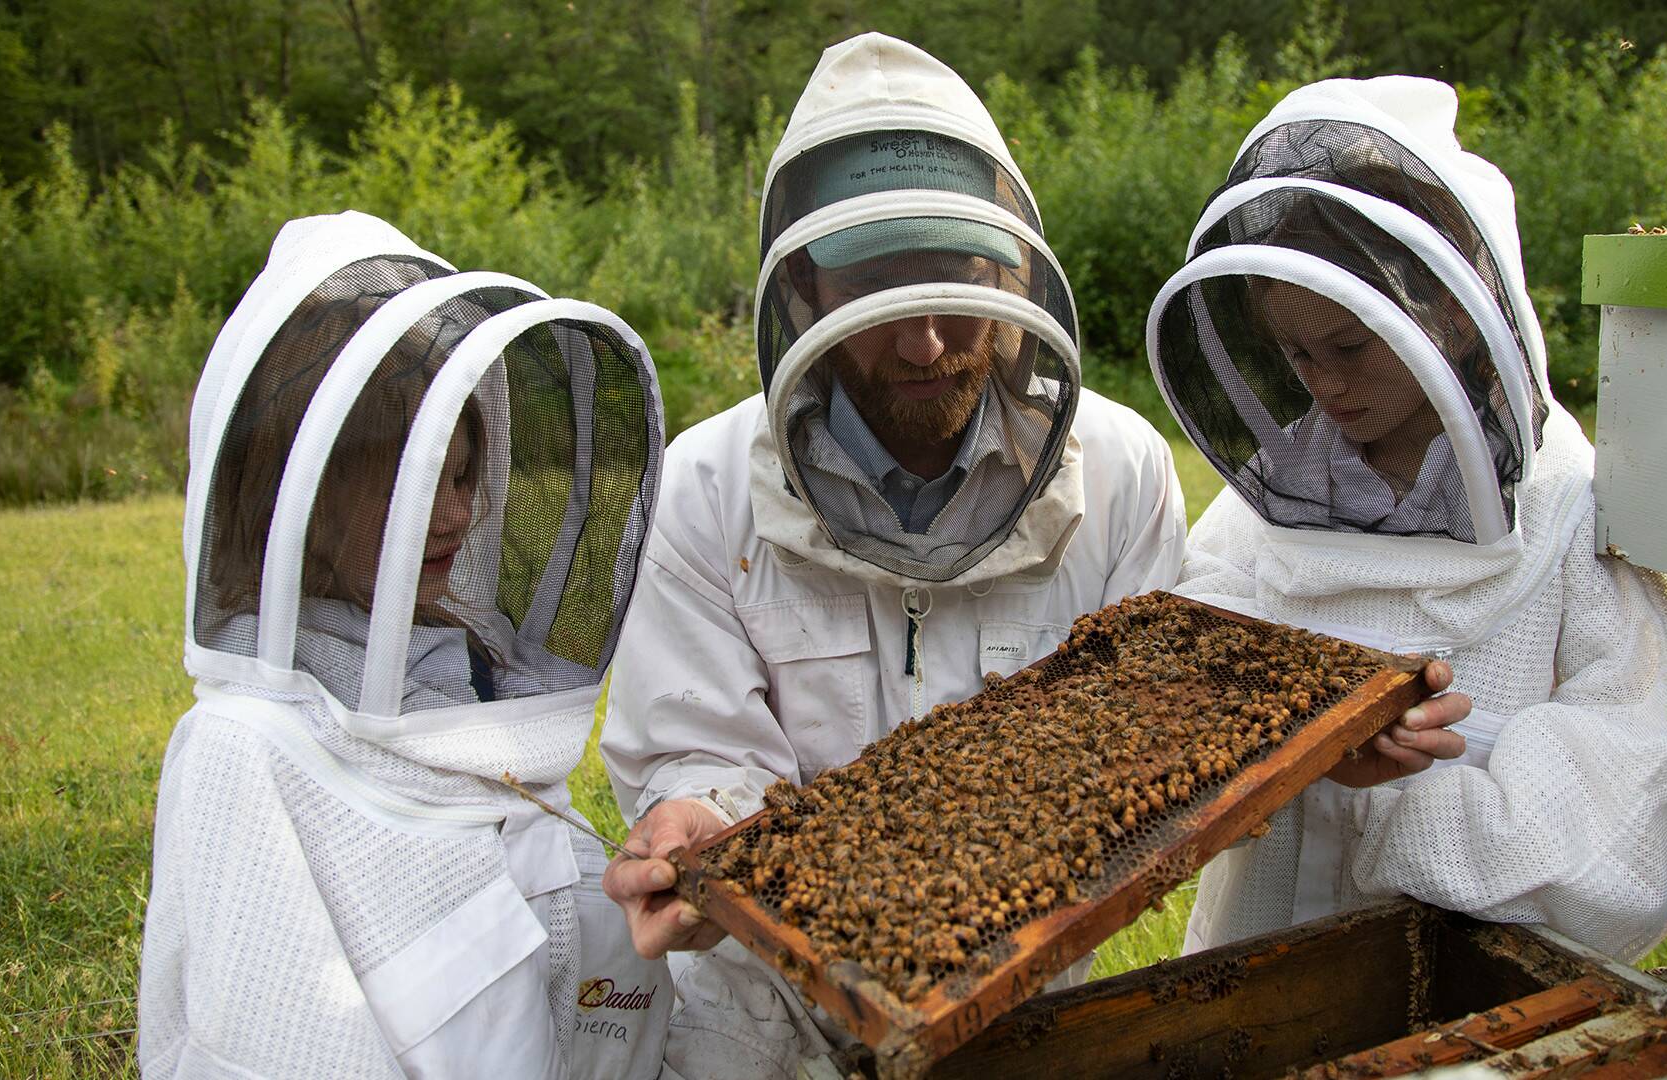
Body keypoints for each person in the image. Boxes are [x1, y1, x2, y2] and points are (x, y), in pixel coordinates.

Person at [596, 32, 1194, 1079]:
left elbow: (1145, 763)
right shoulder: (704, 488)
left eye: (956, 282)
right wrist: (699, 820)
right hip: (761, 1020)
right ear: (808, 299)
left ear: (1012, 273)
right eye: (874, 293)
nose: (923, 343)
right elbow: (704, 751)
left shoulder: (1124, 472)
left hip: (1026, 1004)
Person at [1144, 76, 1667, 961]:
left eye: (1351, 345)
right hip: (1250, 950)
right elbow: (1183, 677)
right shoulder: (1272, 500)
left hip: (1460, 980)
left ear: (1453, 313)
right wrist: (1301, 747)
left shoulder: (1577, 522)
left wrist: (1392, 793)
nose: (1325, 383)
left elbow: (1616, 827)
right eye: (1296, 353)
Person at [138, 211, 672, 1078]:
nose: (458, 516)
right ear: (298, 491)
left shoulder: (465, 684)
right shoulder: (242, 756)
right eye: (413, 480)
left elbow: (567, 973)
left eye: (462, 476)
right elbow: (267, 1048)